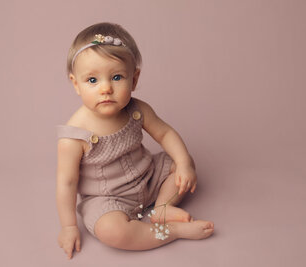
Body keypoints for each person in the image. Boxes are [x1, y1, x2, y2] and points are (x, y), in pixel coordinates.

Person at [56, 22, 214, 259]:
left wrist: (182, 164)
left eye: (117, 77)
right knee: (113, 232)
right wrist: (68, 227)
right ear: (76, 83)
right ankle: (171, 230)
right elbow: (66, 183)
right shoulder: (74, 135)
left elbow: (165, 134)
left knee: (181, 161)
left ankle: (162, 207)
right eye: (92, 80)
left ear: (134, 79)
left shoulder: (137, 110)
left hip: (148, 178)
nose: (106, 88)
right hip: (107, 199)